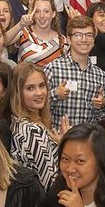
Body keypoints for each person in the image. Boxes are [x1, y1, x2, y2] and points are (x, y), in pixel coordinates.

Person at [9, 62, 67, 190]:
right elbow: (51, 183)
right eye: (30, 88)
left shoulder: (32, 122)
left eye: (42, 86)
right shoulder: (32, 131)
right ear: (18, 93)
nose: (39, 93)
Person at [46, 15, 105, 127]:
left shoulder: (100, 75)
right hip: (60, 136)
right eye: (78, 35)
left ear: (94, 40)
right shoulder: (53, 69)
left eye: (89, 35)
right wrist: (55, 94)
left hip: (88, 136)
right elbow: (38, 107)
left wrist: (102, 105)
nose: (84, 40)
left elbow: (104, 116)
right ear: (69, 40)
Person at [6, 0, 66, 67]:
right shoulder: (24, 32)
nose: (41, 15)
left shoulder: (62, 41)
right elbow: (3, 42)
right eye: (37, 11)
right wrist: (20, 25)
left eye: (46, 11)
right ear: (33, 14)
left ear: (53, 14)